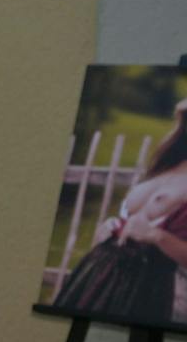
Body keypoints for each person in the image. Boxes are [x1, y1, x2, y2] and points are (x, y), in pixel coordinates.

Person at [55, 96, 187, 326]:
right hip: (95, 272)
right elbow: (128, 219)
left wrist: (156, 236)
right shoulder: (166, 166)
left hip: (143, 286)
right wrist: (106, 229)